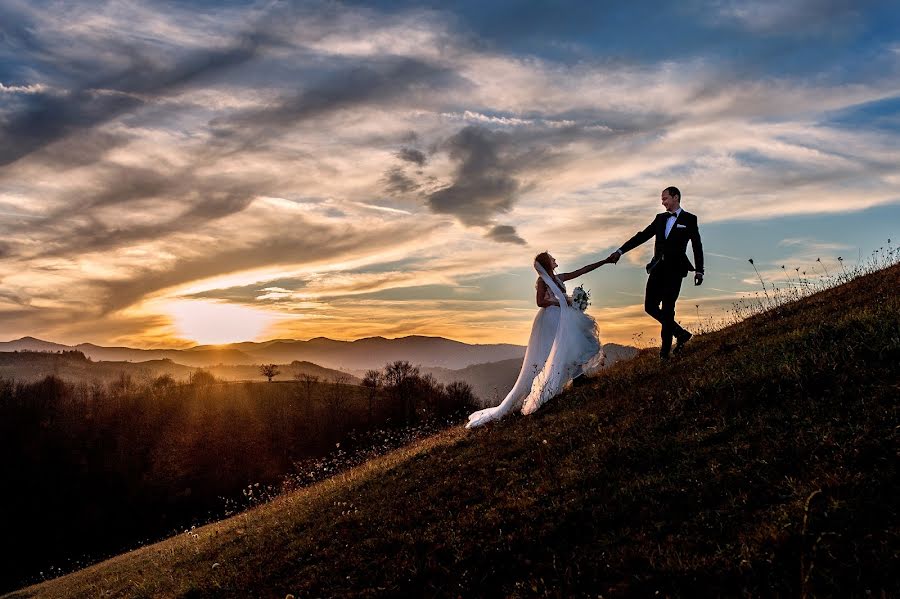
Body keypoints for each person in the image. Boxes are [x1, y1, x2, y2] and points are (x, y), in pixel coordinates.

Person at [466, 252, 610, 428]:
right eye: (552, 258)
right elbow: (540, 302)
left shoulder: (559, 278)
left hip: (562, 316)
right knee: (554, 351)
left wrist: (605, 261)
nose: (555, 260)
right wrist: (561, 302)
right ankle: (544, 390)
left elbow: (583, 270)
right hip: (550, 319)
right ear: (547, 263)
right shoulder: (543, 281)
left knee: (570, 346)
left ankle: (578, 378)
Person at [607, 186, 704, 360]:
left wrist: (699, 270)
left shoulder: (689, 219)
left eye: (665, 198)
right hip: (657, 269)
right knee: (649, 307)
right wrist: (620, 251)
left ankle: (664, 354)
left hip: (676, 271)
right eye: (662, 199)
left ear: (676, 197)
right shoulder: (660, 219)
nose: (663, 202)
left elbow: (697, 245)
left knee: (668, 310)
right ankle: (680, 333)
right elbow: (642, 236)